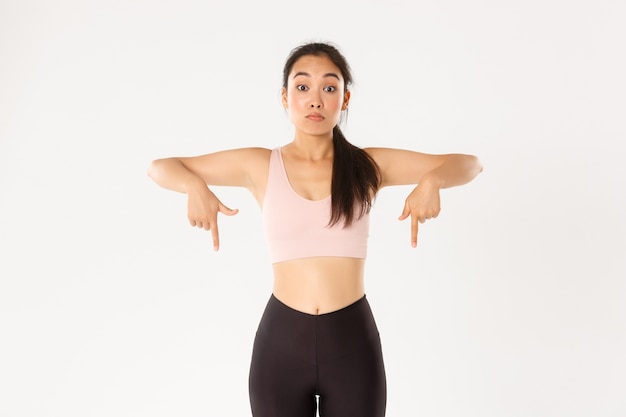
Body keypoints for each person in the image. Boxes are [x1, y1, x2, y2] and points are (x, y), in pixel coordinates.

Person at [147, 41, 482, 417]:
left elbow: (469, 164)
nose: (315, 100)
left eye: (329, 87)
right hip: (280, 345)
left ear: (346, 98)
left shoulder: (368, 165)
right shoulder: (259, 165)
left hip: (353, 343)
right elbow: (161, 167)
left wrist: (433, 180)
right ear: (284, 98)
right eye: (302, 87)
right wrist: (194, 187)